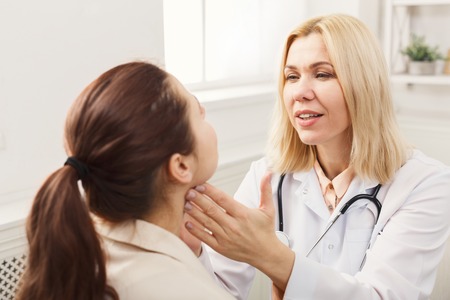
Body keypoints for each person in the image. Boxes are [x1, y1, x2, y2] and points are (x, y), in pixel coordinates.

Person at [182, 14, 450, 300]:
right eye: (292, 77)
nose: (299, 92)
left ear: (364, 84)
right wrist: (193, 251)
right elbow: (221, 289)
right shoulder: (267, 177)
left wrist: (272, 256)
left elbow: (383, 296)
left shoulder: (425, 183)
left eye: (322, 74)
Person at [16, 62, 235, 300]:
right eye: (197, 113)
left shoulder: (83, 252)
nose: (203, 111)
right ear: (181, 165)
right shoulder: (185, 291)